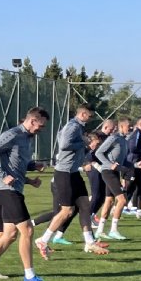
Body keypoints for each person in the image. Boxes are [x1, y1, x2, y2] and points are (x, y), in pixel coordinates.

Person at [0, 107, 51, 281]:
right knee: (27, 230)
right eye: (41, 125)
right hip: (7, 191)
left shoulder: (27, 138)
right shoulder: (12, 134)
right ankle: (30, 276)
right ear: (32, 121)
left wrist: (33, 165)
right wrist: (2, 175)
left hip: (14, 190)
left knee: (9, 235)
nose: (41, 129)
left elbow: (18, 163)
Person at [38, 104, 109, 256]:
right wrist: (84, 143)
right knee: (67, 211)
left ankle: (89, 242)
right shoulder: (73, 126)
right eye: (90, 116)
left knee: (84, 205)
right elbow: (64, 145)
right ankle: (43, 240)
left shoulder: (78, 127)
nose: (91, 119)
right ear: (83, 114)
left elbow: (66, 141)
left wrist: (84, 150)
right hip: (64, 173)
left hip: (74, 172)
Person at [91, 118, 128, 241]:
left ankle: (100, 231)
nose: (130, 128)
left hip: (115, 173)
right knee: (122, 200)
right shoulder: (114, 138)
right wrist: (109, 164)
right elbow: (98, 153)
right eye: (128, 126)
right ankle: (113, 230)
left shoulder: (124, 140)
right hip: (108, 172)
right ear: (121, 126)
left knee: (109, 200)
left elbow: (122, 160)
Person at [122, 116, 141, 217]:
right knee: (130, 186)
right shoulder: (137, 134)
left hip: (138, 164)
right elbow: (132, 147)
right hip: (132, 164)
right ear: (140, 124)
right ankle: (121, 206)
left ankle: (138, 210)